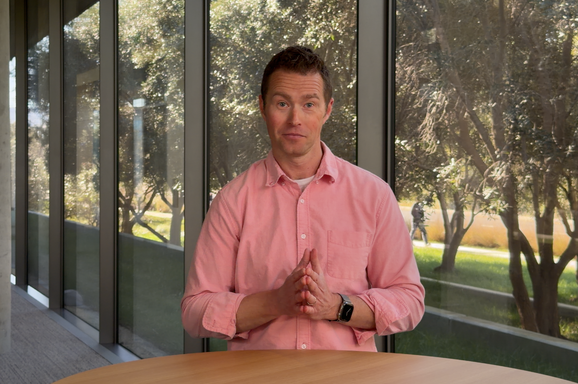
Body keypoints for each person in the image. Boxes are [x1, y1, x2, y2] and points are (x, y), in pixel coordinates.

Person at [181, 46, 424, 351]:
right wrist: (275, 302)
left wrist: (337, 307)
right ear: (262, 107)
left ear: (327, 109)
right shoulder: (233, 201)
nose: (295, 118)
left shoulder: (373, 195)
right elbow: (195, 310)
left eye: (309, 104)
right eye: (282, 103)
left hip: (348, 374)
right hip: (260, 374)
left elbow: (409, 300)